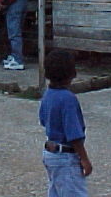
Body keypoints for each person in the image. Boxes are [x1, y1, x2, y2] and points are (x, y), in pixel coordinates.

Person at [39, 49, 93, 197]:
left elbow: (43, 120)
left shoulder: (48, 94)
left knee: (56, 191)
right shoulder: (68, 99)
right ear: (72, 73)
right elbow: (74, 136)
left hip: (50, 154)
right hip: (66, 157)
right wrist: (84, 159)